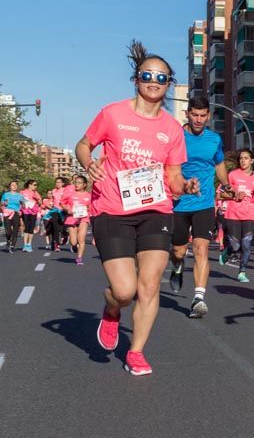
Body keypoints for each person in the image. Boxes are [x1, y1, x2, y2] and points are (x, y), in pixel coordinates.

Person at [75, 42, 197, 376]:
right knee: (125, 291)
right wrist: (89, 164)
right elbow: (84, 144)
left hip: (155, 210)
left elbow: (173, 175)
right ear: (136, 79)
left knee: (149, 285)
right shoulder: (113, 114)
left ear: (169, 84)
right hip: (112, 209)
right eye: (147, 75)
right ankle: (112, 311)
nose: (154, 81)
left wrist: (183, 186)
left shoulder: (172, 128)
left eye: (161, 77)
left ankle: (137, 351)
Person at [168, 91, 229, 317]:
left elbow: (219, 164)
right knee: (178, 250)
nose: (198, 120)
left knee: (201, 247)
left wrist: (227, 184)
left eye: (203, 116)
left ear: (209, 116)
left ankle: (198, 298)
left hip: (204, 202)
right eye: (194, 115)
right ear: (187, 114)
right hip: (178, 202)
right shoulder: (176, 137)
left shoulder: (214, 139)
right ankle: (177, 266)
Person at [220, 149, 254, 283]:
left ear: (252, 160)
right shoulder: (232, 175)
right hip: (233, 213)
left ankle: (242, 272)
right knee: (235, 245)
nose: (243, 160)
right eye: (241, 158)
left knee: (246, 244)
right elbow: (221, 194)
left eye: (246, 158)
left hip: (250, 214)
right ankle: (228, 250)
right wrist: (234, 195)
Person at [65, 176, 93, 265]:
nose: (77, 184)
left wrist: (88, 210)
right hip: (71, 218)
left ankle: (79, 258)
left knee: (81, 238)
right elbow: (62, 203)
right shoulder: (70, 194)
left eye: (79, 183)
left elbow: (91, 207)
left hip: (84, 218)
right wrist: (67, 209)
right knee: (73, 241)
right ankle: (74, 246)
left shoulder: (89, 196)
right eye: (76, 182)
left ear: (84, 185)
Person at [0, 181, 23, 253]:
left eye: (15, 185)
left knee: (15, 230)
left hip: (16, 213)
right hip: (7, 213)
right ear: (10, 187)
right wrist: (4, 203)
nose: (14, 186)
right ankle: (8, 240)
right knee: (8, 231)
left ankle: (12, 246)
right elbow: (1, 204)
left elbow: (23, 204)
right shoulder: (6, 195)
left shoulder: (20, 195)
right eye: (13, 185)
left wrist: (21, 208)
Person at [19, 180, 41, 253]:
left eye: (36, 185)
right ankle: (25, 244)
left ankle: (29, 244)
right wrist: (23, 203)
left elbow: (40, 202)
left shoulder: (36, 193)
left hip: (33, 212)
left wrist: (37, 199)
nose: (35, 186)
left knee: (31, 227)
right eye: (34, 185)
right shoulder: (22, 192)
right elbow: (20, 201)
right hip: (25, 211)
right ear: (29, 185)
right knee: (26, 227)